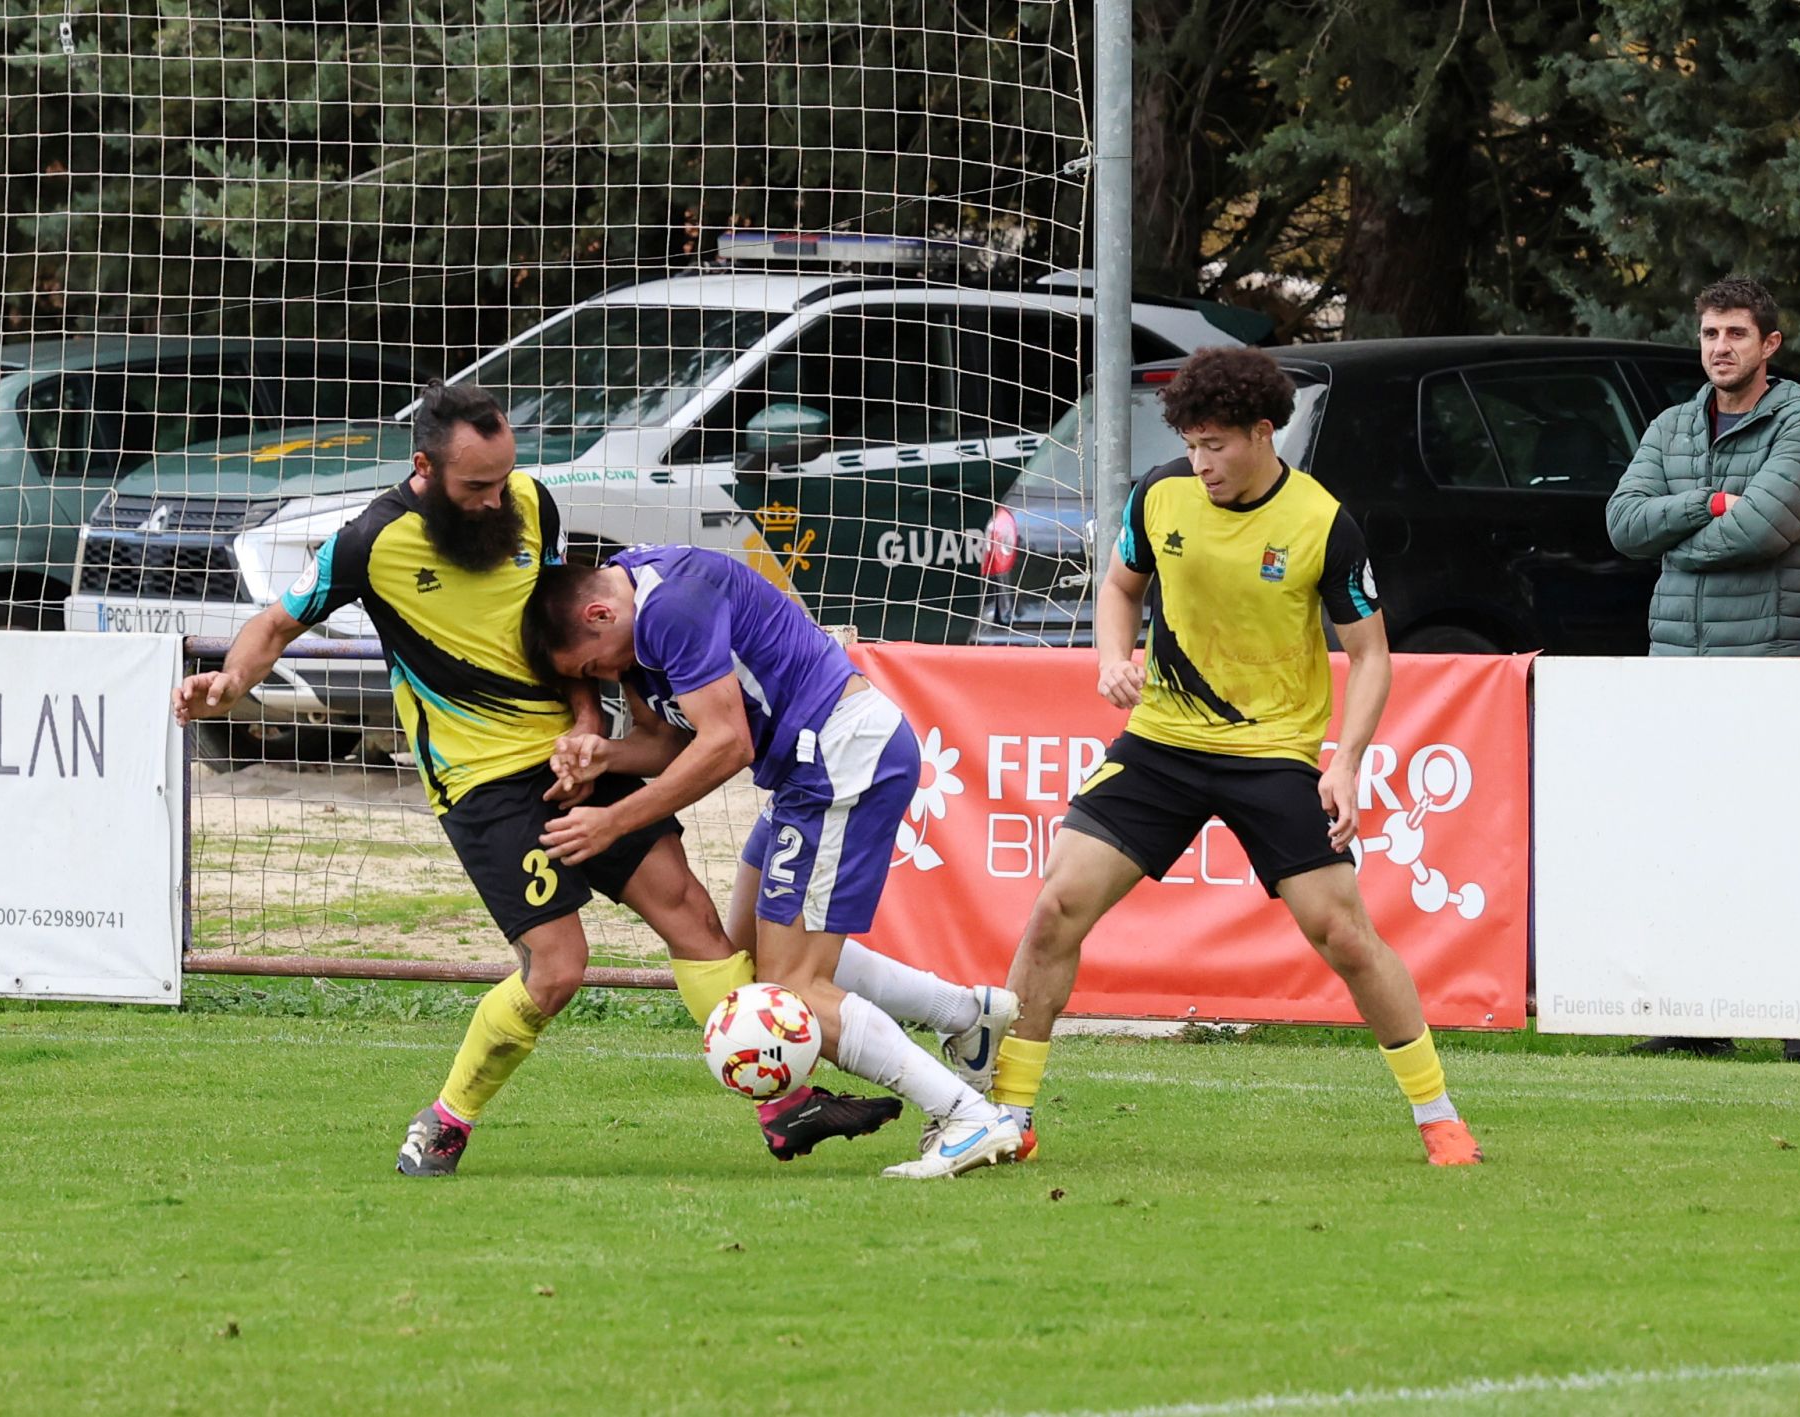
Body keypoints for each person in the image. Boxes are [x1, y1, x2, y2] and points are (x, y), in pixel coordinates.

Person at [173, 381, 905, 1177]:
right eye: (476, 488)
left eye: (504, 479)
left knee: (693, 916)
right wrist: (228, 680)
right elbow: (276, 622)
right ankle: (445, 1121)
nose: (497, 502)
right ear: (425, 469)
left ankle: (784, 1106)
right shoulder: (369, 544)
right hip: (482, 781)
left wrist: (589, 725)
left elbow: (560, 629)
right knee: (559, 968)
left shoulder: (530, 502)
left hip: (571, 758)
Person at [971, 346, 1484, 1168]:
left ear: (1261, 431)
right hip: (1164, 740)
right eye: (1192, 443)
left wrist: (1345, 760)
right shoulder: (1161, 492)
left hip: (1274, 752)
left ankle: (1440, 1115)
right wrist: (1111, 657)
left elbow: (1372, 652)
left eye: (1217, 444)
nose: (1200, 462)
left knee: (1344, 933)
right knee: (1056, 908)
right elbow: (1120, 587)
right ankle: (1008, 1116)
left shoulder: (1321, 521)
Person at [522, 546, 1026, 1179]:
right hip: (810, 767)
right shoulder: (634, 609)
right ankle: (964, 1014)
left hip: (836, 759)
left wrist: (614, 820)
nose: (604, 674)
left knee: (790, 990)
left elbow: (728, 743)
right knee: (756, 957)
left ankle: (966, 1115)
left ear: (599, 613)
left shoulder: (669, 606)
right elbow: (662, 744)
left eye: (597, 664)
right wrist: (602, 754)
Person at [1607, 275, 1800, 1063]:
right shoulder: (1674, 424)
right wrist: (1707, 503)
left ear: (1769, 345)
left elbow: (1766, 529)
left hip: (1766, 665)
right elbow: (1621, 522)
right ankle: (1696, 1017)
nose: (1720, 348)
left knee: (1780, 848)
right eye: (1710, 334)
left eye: (1736, 334)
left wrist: (1677, 528)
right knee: (1685, 845)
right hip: (1676, 665)